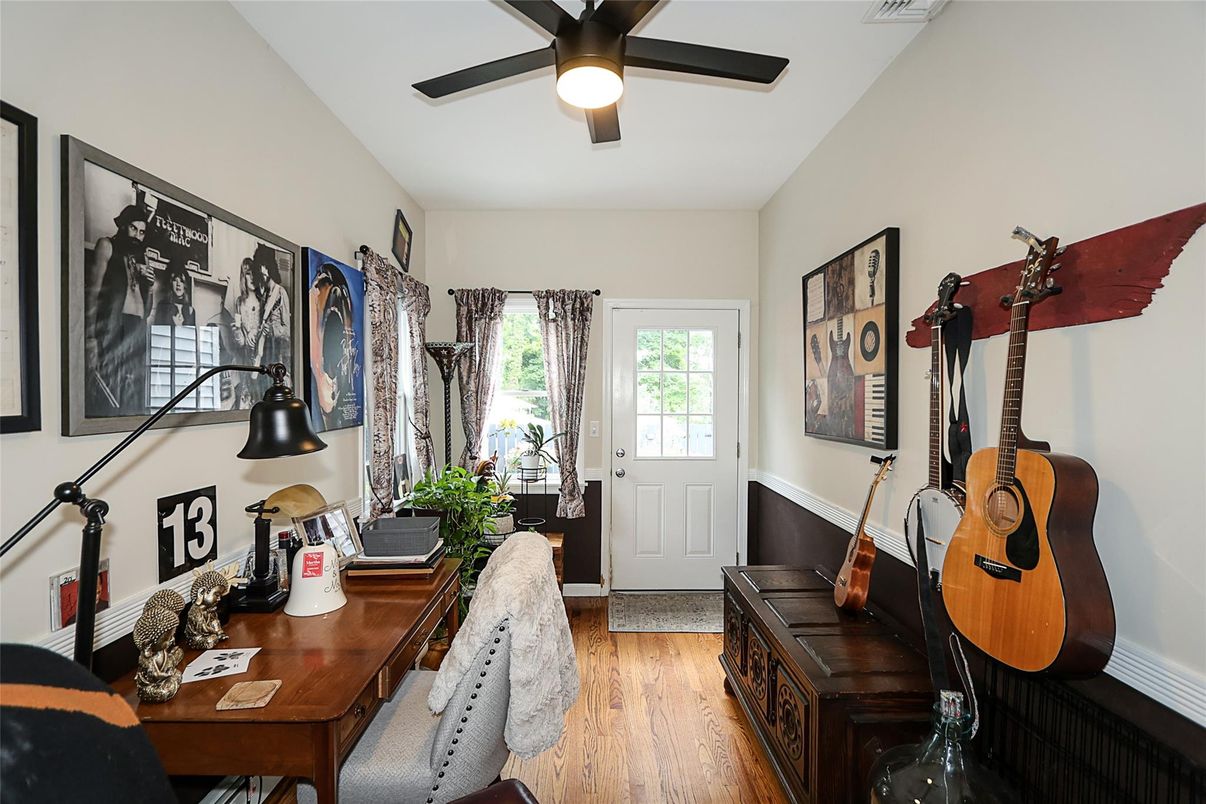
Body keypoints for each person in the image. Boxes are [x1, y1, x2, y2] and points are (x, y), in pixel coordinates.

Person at [89, 203, 155, 415]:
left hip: (136, 327)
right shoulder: (106, 245)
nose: (137, 235)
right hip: (112, 325)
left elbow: (147, 310)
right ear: (123, 225)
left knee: (135, 389)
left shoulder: (140, 259)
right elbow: (92, 293)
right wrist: (89, 337)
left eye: (142, 232)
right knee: (110, 387)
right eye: (133, 228)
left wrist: (151, 286)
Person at [252, 243, 290, 368]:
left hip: (276, 352)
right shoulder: (264, 296)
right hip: (264, 352)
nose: (260, 272)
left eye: (262, 266)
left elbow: (287, 330)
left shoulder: (280, 293)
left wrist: (273, 329)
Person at [150, 260, 196, 327]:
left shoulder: (191, 310)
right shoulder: (162, 307)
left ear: (185, 286)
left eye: (182, 281)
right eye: (175, 280)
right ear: (170, 284)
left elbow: (192, 336)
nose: (178, 284)